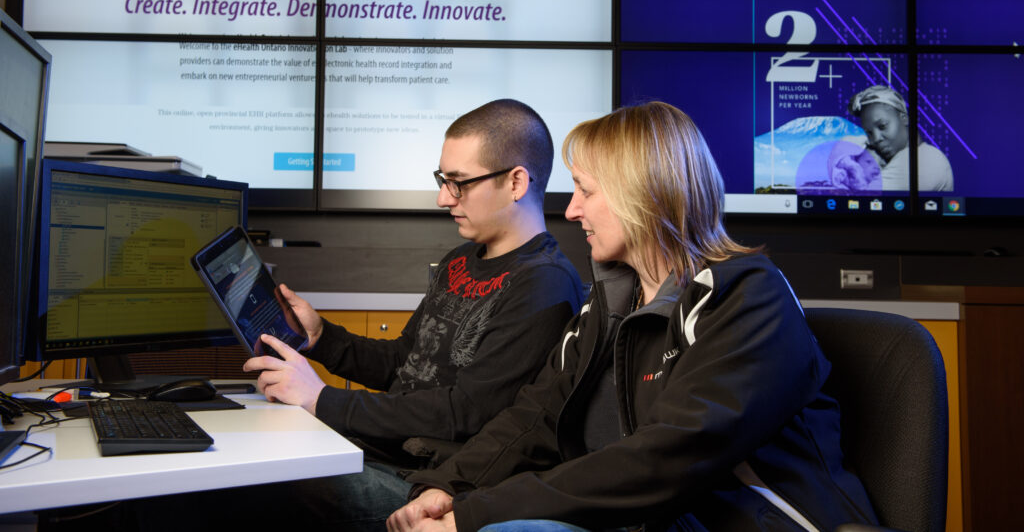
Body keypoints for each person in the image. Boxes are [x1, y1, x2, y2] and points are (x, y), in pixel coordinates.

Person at [68, 99, 585, 532]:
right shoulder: (460, 260)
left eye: (458, 183)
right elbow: (406, 364)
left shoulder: (545, 284)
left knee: (220, 487)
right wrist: (321, 338)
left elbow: (464, 412)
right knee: (203, 469)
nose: (442, 198)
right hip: (379, 448)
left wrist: (319, 399)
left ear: (517, 182)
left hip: (424, 483)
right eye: (441, 179)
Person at [388, 101, 878, 532]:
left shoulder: (747, 296)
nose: (572, 210)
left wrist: (476, 514)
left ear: (642, 193)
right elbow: (536, 416)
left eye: (585, 191)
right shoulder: (607, 305)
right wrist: (449, 487)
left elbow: (661, 459)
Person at [847, 84, 953, 191]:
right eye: (869, 133)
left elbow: (856, 200)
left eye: (882, 126)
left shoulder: (924, 159)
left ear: (904, 118)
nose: (876, 139)